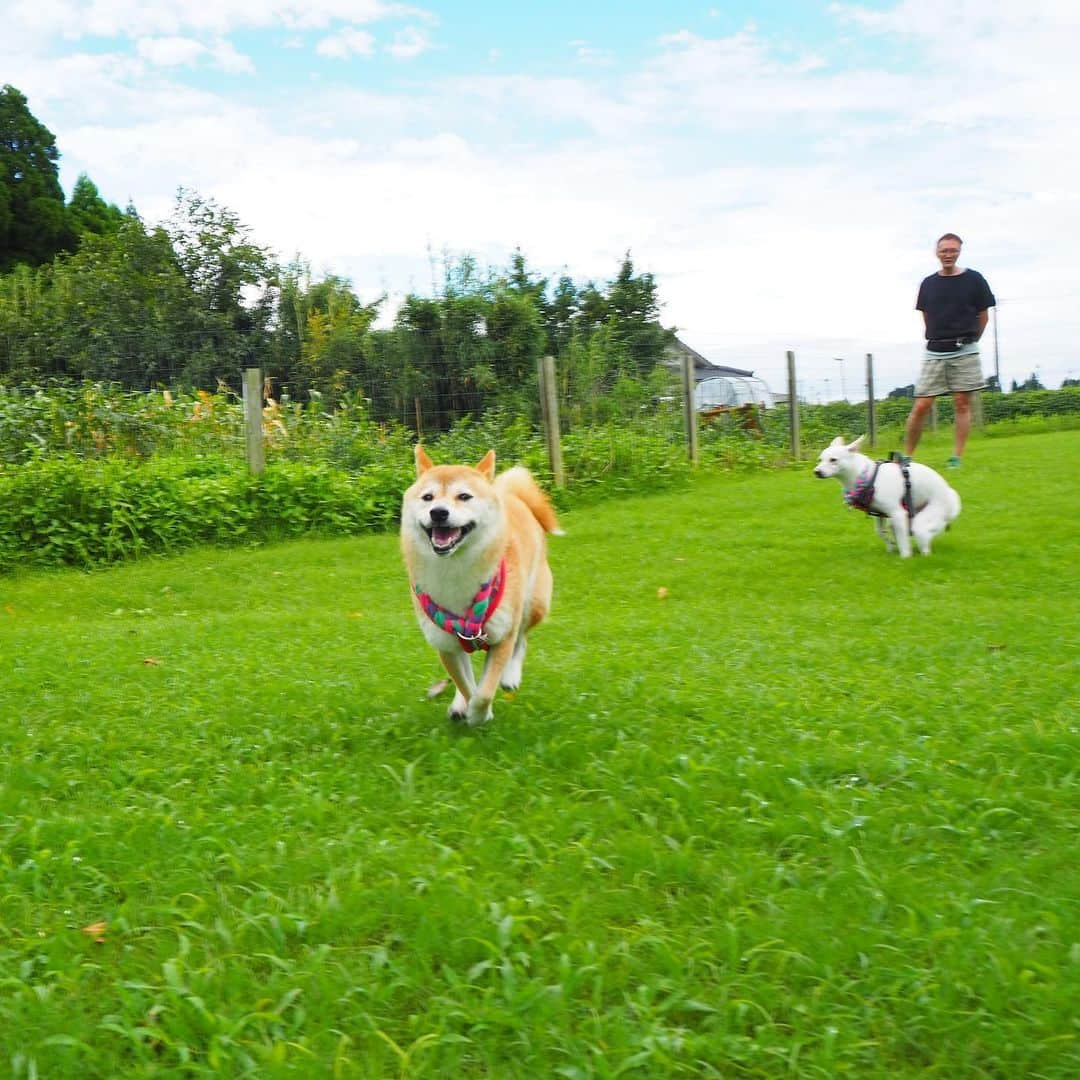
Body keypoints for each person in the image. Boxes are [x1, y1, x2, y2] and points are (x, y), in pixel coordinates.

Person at [904, 232, 995, 467]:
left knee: (961, 403)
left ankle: (957, 457)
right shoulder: (928, 283)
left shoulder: (974, 279)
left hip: (965, 349)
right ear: (937, 252)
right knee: (921, 404)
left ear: (959, 252)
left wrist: (971, 339)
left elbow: (983, 315)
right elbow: (926, 314)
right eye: (944, 250)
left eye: (953, 250)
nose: (948, 255)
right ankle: (907, 457)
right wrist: (938, 336)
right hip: (935, 350)